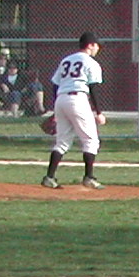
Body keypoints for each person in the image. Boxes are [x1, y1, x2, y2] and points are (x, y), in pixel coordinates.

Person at [40, 32, 106, 190]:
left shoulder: (66, 60)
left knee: (62, 141)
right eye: (96, 45)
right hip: (78, 99)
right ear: (90, 45)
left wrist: (56, 108)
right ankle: (89, 177)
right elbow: (93, 88)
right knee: (91, 141)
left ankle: (49, 177)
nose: (97, 49)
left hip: (61, 98)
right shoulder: (90, 62)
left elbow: (55, 84)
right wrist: (98, 112)